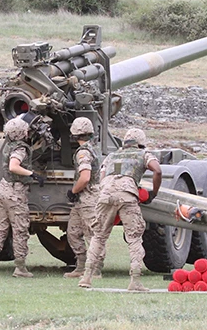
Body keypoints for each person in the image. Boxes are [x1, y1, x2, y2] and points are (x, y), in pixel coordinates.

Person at [78, 128, 161, 292]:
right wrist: (154, 193)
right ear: (140, 143)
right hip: (127, 195)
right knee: (134, 237)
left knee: (98, 236)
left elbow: (102, 177)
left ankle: (87, 277)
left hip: (105, 195)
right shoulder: (143, 154)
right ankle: (135, 280)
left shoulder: (111, 156)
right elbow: (157, 170)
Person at [0, 117, 44, 278]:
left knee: (0, 229)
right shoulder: (20, 149)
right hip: (15, 193)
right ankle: (20, 268)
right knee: (20, 230)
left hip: (4, 189)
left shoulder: (7, 146)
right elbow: (14, 166)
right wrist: (32, 174)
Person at [63, 117, 101, 279]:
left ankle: (95, 270)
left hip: (88, 198)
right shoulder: (92, 149)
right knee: (73, 232)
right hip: (82, 200)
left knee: (92, 234)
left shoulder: (83, 153)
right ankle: (81, 266)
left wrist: (73, 191)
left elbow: (85, 177)